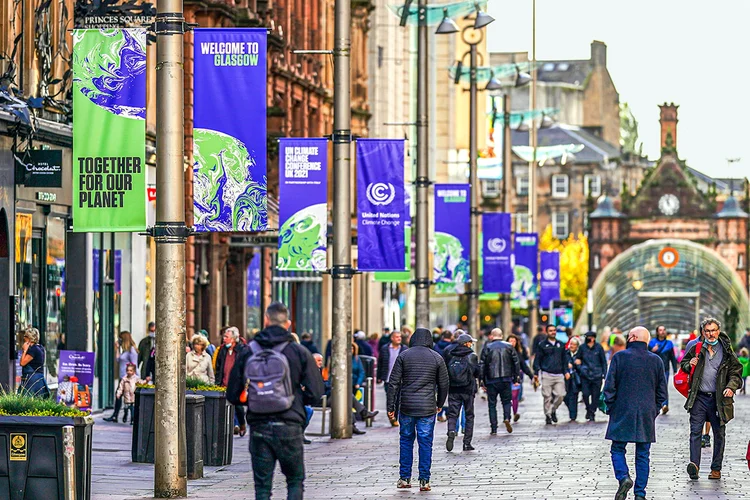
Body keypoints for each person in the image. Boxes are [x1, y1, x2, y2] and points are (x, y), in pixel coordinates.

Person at [227, 302, 323, 500]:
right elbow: (316, 392)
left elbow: (232, 394)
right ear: (287, 323)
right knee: (294, 481)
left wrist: (257, 399)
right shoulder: (298, 352)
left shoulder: (249, 350)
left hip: (259, 425)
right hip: (290, 424)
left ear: (265, 320)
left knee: (262, 487)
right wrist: (295, 399)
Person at [603, 326, 668, 500]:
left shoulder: (619, 357)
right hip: (646, 413)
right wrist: (654, 410)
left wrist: (610, 407)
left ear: (631, 337)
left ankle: (624, 477)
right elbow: (662, 392)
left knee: (617, 448)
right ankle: (640, 493)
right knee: (643, 454)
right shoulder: (656, 361)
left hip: (621, 410)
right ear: (646, 340)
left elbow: (609, 387)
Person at [387, 328, 449, 492]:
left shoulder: (404, 356)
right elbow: (444, 383)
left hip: (407, 406)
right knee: (425, 442)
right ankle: (424, 480)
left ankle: (405, 478)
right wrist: (440, 403)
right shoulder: (437, 357)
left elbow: (393, 383)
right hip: (427, 407)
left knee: (406, 440)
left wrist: (391, 407)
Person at [680, 317, 743, 481]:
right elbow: (684, 364)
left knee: (719, 434)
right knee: (695, 432)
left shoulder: (726, 349)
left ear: (718, 331)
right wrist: (689, 364)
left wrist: (730, 387)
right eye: (707, 331)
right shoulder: (696, 348)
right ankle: (694, 465)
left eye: (713, 330)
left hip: (719, 399)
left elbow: (736, 372)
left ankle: (716, 469)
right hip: (699, 397)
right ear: (703, 332)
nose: (711, 334)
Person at [444, 333, 481, 452]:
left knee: (453, 414)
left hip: (453, 389)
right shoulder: (472, 356)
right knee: (469, 415)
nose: (472, 344)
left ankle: (451, 430)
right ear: (467, 343)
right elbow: (477, 372)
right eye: (471, 342)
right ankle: (467, 443)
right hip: (467, 389)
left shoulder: (450, 354)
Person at [481, 328, 520, 434]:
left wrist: (481, 379)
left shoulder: (487, 347)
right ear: (502, 335)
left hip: (491, 379)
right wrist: (516, 376)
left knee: (492, 404)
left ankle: (494, 427)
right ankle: (507, 417)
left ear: (492, 336)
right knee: (506, 401)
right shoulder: (509, 347)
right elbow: (516, 362)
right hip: (506, 378)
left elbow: (483, 364)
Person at [216, 326, 249, 436]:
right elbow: (219, 366)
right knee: (223, 405)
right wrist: (218, 382)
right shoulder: (222, 349)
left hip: (236, 382)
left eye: (227, 337)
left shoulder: (242, 349)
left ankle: (242, 424)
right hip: (224, 381)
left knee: (238, 406)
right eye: (224, 336)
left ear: (234, 339)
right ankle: (228, 426)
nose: (224, 339)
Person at [533, 324, 567, 425]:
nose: (553, 332)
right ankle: (548, 415)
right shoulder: (542, 345)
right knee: (547, 396)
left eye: (554, 330)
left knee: (561, 395)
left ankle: (553, 409)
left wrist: (566, 372)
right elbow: (537, 359)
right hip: (547, 373)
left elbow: (564, 359)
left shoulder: (561, 344)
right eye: (551, 331)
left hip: (559, 374)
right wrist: (536, 373)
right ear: (547, 332)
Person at [104, 331, 139, 422]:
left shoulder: (132, 351)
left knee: (124, 396)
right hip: (123, 377)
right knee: (120, 396)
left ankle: (124, 416)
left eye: (120, 338)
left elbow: (134, 365)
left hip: (128, 378)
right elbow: (118, 359)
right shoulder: (125, 350)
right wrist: (116, 349)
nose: (118, 340)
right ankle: (119, 415)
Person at [577, 331, 608, 422]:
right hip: (585, 375)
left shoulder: (599, 348)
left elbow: (603, 362)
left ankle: (592, 412)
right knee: (585, 394)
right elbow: (578, 359)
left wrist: (605, 374)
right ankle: (588, 409)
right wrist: (581, 368)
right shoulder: (582, 348)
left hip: (597, 375)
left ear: (593, 338)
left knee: (596, 395)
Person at [377, 330, 407, 426]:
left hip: (401, 379)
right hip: (388, 379)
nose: (399, 338)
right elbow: (380, 363)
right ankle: (391, 416)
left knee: (399, 399)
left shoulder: (405, 349)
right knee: (390, 398)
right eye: (397, 337)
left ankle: (396, 417)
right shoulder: (384, 349)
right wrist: (379, 377)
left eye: (400, 337)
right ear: (392, 338)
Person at [648, 325, 678, 414]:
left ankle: (665, 405)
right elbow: (646, 355)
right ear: (657, 332)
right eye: (660, 330)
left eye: (664, 330)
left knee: (663, 387)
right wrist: (652, 350)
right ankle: (656, 405)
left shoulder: (669, 344)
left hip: (665, 369)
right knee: (654, 387)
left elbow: (672, 358)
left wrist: (675, 370)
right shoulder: (652, 343)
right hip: (653, 370)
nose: (662, 332)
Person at [507, 333, 533, 422]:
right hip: (505, 378)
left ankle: (515, 413)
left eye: (514, 341)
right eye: (510, 341)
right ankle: (506, 416)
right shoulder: (503, 353)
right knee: (507, 397)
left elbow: (524, 366)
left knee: (515, 397)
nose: (512, 343)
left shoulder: (518, 353)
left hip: (516, 378)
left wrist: (531, 376)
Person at [19, 327, 50, 398]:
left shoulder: (33, 350)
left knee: (28, 400)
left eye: (25, 336)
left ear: (29, 338)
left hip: (32, 379)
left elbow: (22, 363)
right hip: (38, 378)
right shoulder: (41, 348)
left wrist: (24, 351)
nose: (24, 338)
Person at [563, 337, 582, 422]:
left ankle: (573, 416)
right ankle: (571, 410)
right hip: (566, 378)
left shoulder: (580, 354)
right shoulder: (565, 353)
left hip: (576, 378)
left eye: (574, 344)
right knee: (565, 396)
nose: (572, 346)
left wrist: (575, 365)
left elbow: (582, 365)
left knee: (574, 396)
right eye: (571, 344)